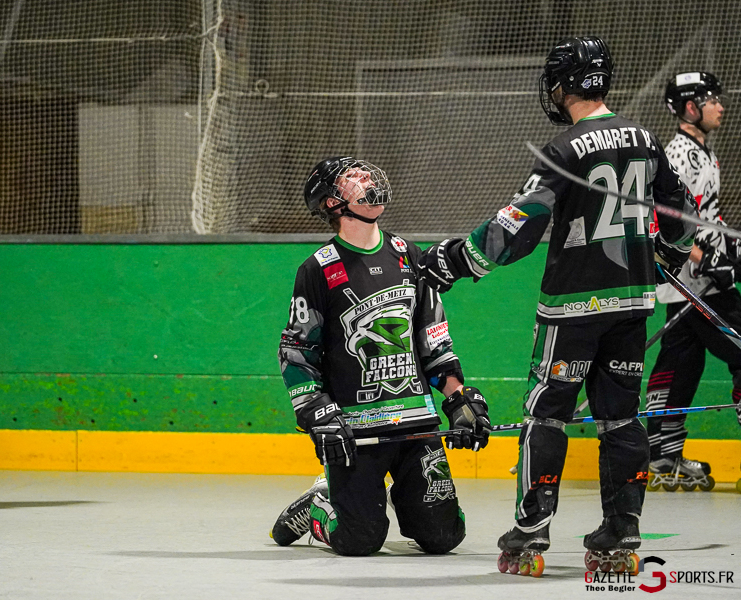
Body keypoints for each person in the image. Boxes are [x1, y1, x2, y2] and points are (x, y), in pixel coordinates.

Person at [417, 37, 697, 575]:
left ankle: (530, 530)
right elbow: (681, 217)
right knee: (620, 417)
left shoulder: (565, 150)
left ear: (563, 84)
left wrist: (454, 261)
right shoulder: (646, 138)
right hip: (633, 304)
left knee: (546, 414)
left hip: (572, 308)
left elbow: (517, 226)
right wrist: (669, 251)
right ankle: (622, 529)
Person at [269, 157, 492, 556]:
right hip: (356, 432)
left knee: (444, 537)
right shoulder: (318, 269)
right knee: (358, 542)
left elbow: (433, 338)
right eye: (353, 179)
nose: (367, 179)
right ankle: (322, 505)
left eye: (366, 173)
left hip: (415, 423)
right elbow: (296, 351)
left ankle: (396, 495)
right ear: (332, 203)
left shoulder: (409, 255)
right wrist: (318, 413)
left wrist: (458, 397)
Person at [645, 72, 740, 492]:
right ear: (689, 108)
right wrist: (704, 259)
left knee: (681, 365)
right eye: (711, 99)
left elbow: (704, 215)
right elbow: (662, 215)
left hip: (698, 284)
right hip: (694, 284)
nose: (720, 106)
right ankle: (659, 452)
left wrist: (729, 248)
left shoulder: (705, 154)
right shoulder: (679, 155)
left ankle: (661, 454)